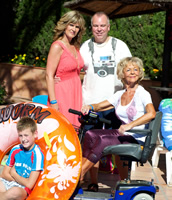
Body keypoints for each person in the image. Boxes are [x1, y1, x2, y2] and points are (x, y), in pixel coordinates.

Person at [80, 57, 156, 188]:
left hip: (137, 136)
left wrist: (129, 125)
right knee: (91, 134)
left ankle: (79, 175)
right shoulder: (120, 94)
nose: (132, 72)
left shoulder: (143, 93)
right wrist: (90, 107)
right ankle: (82, 173)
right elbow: (101, 106)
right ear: (122, 74)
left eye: (135, 69)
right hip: (124, 134)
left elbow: (151, 113)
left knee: (103, 140)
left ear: (139, 74)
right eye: (128, 69)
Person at [79, 11, 132, 191]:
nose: (99, 29)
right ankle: (93, 182)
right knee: (90, 146)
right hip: (90, 104)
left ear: (108, 27)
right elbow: (74, 70)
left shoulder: (120, 46)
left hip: (114, 107)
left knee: (119, 146)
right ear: (91, 28)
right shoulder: (85, 47)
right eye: (95, 26)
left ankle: (124, 184)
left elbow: (131, 72)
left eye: (102, 25)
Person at [46, 10, 86, 127]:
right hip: (62, 94)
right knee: (62, 129)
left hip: (75, 92)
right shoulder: (57, 46)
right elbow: (49, 75)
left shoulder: (75, 46)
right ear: (65, 25)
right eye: (71, 25)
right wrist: (54, 102)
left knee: (75, 129)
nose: (74, 29)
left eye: (77, 27)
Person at [0, 116, 44, 200]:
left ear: (35, 134)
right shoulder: (16, 149)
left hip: (21, 189)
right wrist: (17, 178)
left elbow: (29, 184)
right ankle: (0, 197)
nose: (23, 139)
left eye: (26, 135)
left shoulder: (37, 154)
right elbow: (4, 174)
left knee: (14, 192)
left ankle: (0, 196)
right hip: (8, 183)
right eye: (20, 135)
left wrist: (13, 173)